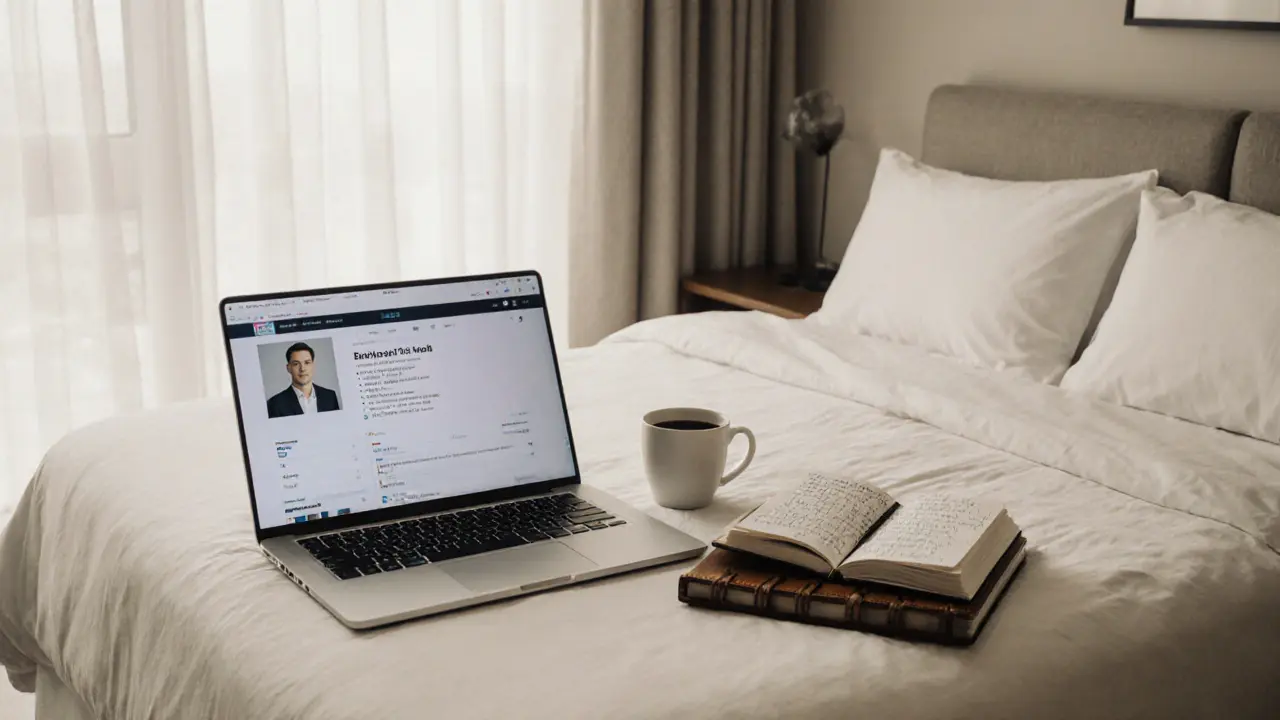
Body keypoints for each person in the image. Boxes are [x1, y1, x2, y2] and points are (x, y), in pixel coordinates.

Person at [266, 342, 341, 418]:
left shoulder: (330, 396)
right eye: (296, 364)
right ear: (288, 368)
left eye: (307, 363)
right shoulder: (275, 403)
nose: (302, 369)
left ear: (312, 365)